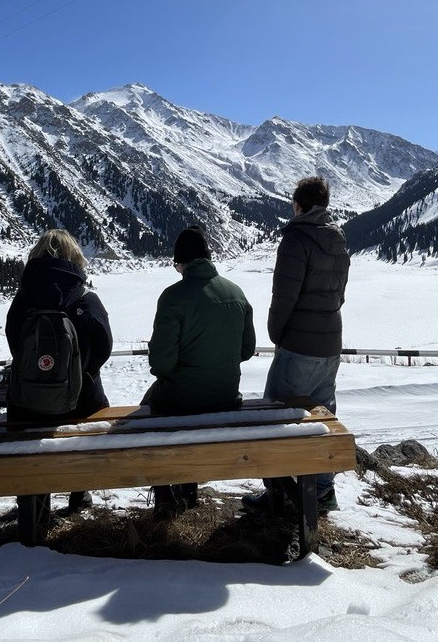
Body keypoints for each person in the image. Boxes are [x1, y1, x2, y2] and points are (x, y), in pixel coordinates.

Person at [243, 176, 351, 514]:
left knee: (275, 416)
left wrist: (277, 333)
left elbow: (283, 297)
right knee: (321, 417)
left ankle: (279, 494)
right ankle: (322, 491)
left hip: (299, 343)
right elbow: (340, 293)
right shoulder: (338, 239)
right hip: (331, 342)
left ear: (298, 204)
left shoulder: (295, 238)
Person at [144, 226, 256, 516]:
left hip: (180, 401)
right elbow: (246, 350)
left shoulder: (173, 297)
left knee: (147, 410)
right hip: (226, 397)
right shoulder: (236, 293)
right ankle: (189, 491)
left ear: (182, 262)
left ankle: (166, 494)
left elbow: (161, 364)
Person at [5, 228, 113, 514]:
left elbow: (16, 346)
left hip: (28, 407)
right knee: (95, 395)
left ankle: (34, 499)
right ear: (75, 258)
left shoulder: (22, 302)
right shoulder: (86, 300)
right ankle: (79, 494)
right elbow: (103, 349)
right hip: (80, 406)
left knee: (21, 409)